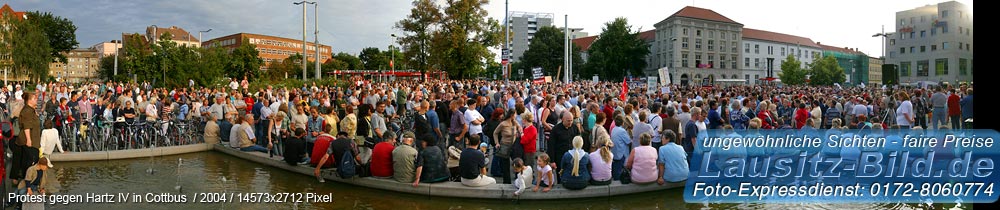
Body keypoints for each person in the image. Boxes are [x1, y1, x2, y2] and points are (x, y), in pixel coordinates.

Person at [14, 91, 41, 183]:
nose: (36, 100)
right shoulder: (27, 111)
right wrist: (29, 140)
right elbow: (26, 126)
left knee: (31, 161)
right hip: (30, 140)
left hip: (34, 140)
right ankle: (28, 183)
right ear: (29, 100)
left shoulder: (31, 110)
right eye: (34, 98)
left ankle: (28, 182)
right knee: (31, 162)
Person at [549, 111, 578, 175]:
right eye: (568, 121)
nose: (570, 123)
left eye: (571, 120)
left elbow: (578, 141)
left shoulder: (574, 127)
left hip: (572, 156)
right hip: (560, 157)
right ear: (562, 119)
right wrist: (552, 161)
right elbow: (551, 145)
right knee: (561, 174)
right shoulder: (555, 129)